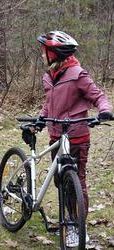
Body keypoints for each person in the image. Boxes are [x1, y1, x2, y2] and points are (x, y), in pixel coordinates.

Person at [37, 31, 113, 247]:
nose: (43, 56)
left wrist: (105, 110)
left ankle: (77, 226)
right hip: (55, 135)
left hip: (77, 135)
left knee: (76, 181)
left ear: (55, 53)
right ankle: (68, 218)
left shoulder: (77, 74)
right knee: (61, 182)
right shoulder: (48, 76)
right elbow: (49, 104)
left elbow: (98, 96)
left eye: (45, 52)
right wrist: (42, 119)